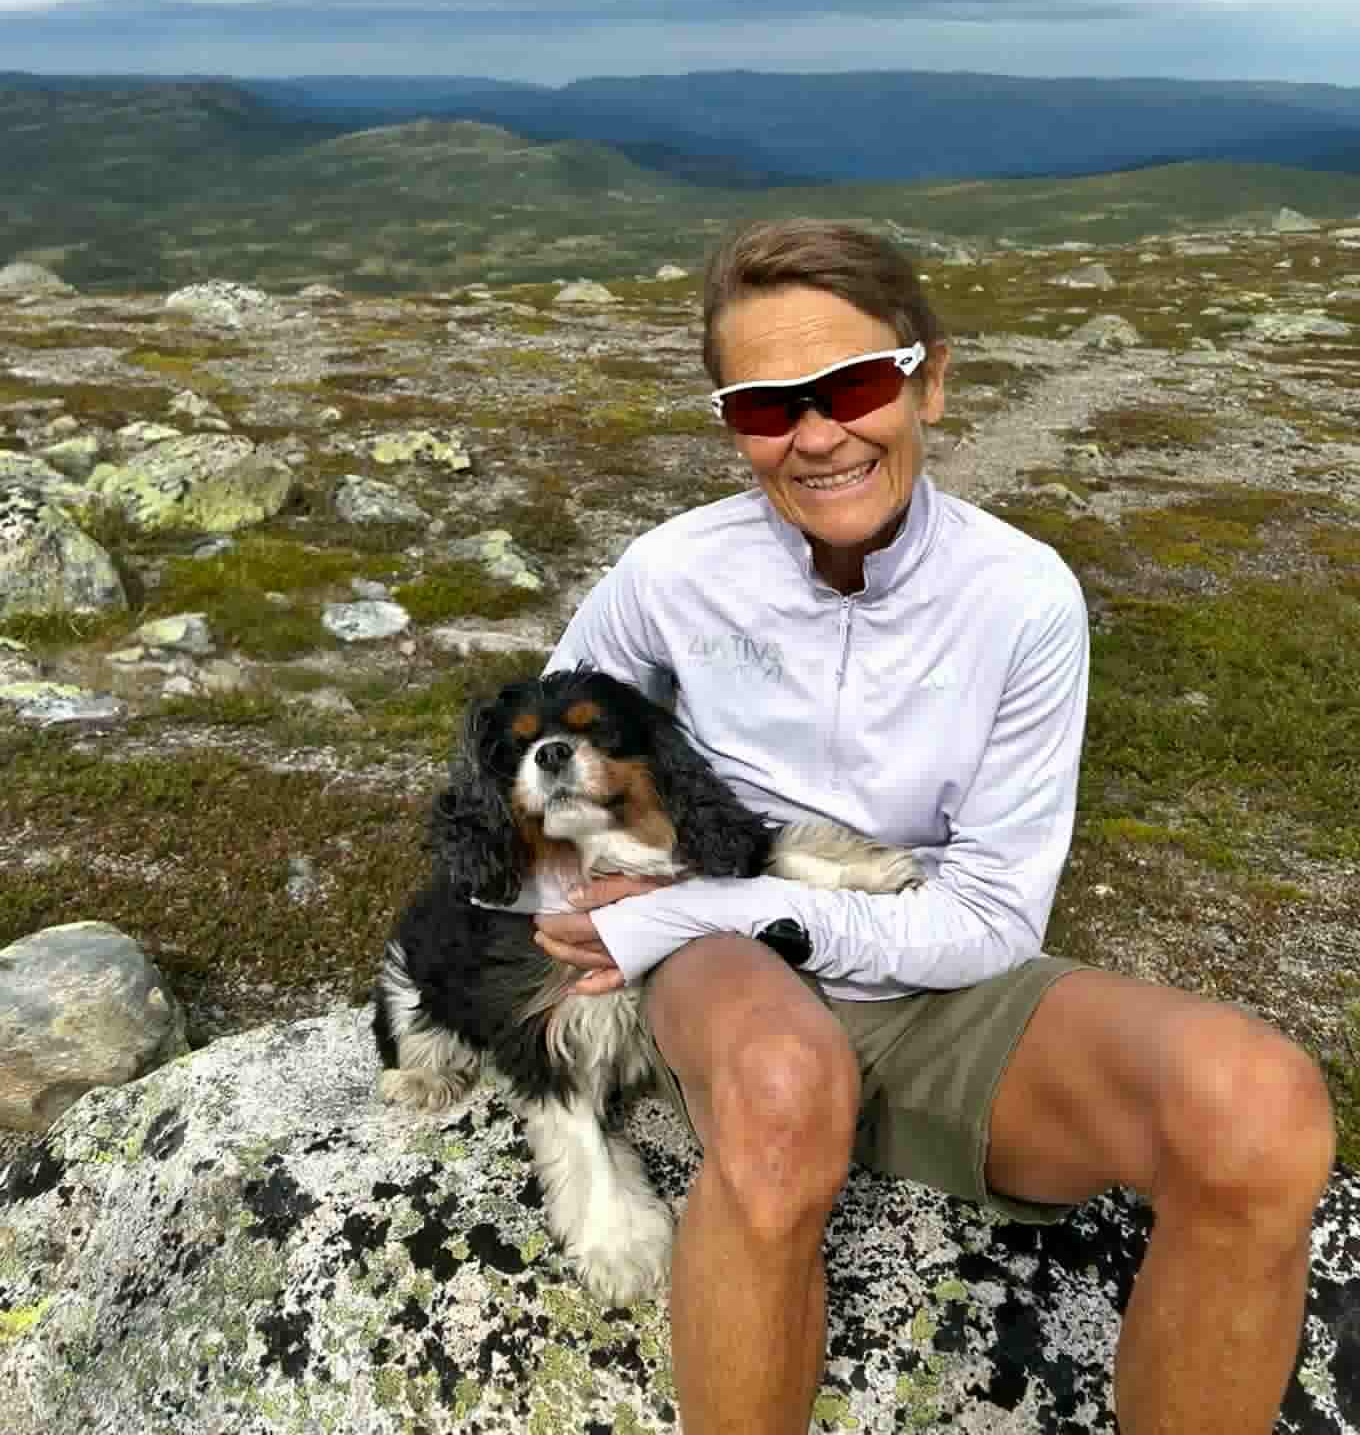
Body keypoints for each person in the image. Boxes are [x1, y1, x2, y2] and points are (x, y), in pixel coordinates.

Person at [533, 218, 1334, 1435]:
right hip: (720, 958)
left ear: (932, 378)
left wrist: (714, 903)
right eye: (764, 406)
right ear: (732, 422)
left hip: (912, 953)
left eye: (854, 385)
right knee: (782, 1082)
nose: (814, 435)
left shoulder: (1020, 596)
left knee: (1261, 1107)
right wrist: (587, 935)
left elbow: (995, 915)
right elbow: (538, 766)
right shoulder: (670, 572)